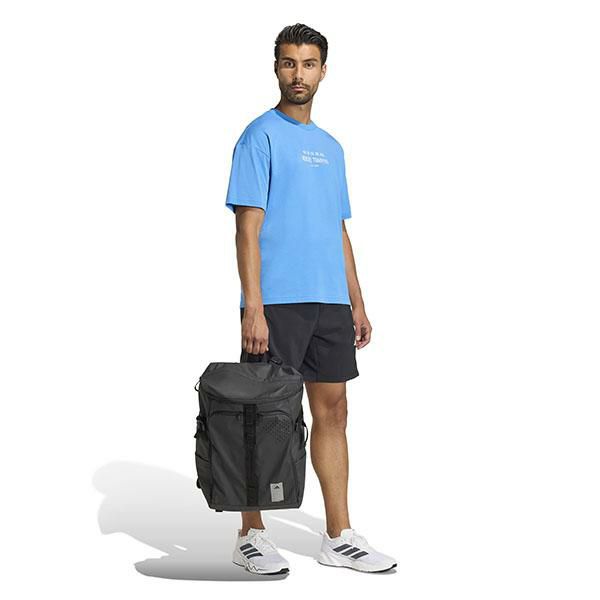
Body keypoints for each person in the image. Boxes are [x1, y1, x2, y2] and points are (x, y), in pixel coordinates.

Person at [224, 23, 397, 575]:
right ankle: (251, 534)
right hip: (277, 303)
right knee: (264, 416)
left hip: (329, 302)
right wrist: (253, 306)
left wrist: (357, 302)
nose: (298, 74)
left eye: (308, 63)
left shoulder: (332, 147)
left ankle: (339, 536)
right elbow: (247, 228)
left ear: (323, 70)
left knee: (334, 411)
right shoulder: (259, 137)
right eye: (288, 63)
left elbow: (336, 228)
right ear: (276, 68)